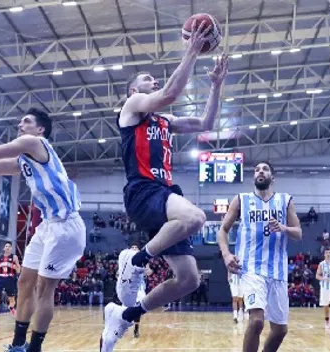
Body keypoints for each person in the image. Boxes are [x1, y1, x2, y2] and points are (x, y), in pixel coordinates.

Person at [100, 20, 229, 352]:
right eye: (146, 79)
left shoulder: (165, 121)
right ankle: (138, 260)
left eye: (152, 79)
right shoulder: (131, 110)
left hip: (165, 192)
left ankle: (125, 315)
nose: (152, 81)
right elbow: (170, 93)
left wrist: (215, 86)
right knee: (197, 219)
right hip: (144, 190)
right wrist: (192, 51)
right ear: (133, 91)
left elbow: (206, 123)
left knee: (189, 280)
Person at [0, 108, 85, 352]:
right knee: (25, 282)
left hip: (66, 226)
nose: (20, 124)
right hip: (47, 226)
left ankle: (35, 348)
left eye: (26, 121)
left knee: (44, 289)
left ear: (40, 129)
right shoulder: (25, 161)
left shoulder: (34, 142)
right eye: (21, 121)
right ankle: (18, 344)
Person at [217, 161, 302, 352]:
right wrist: (226, 254)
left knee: (280, 330)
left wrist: (284, 228)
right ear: (254, 177)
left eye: (264, 169)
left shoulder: (285, 200)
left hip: (278, 271)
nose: (260, 172)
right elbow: (222, 230)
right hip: (250, 269)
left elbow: (298, 233)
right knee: (256, 322)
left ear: (273, 177)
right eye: (256, 170)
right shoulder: (241, 199)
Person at [0, 241, 21, 328]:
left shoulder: (14, 257)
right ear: (4, 248)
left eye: (9, 246)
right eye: (6, 246)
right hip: (0, 279)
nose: (8, 247)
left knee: (12, 300)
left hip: (9, 279)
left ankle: (11, 308)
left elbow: (19, 270)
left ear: (11, 249)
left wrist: (16, 268)